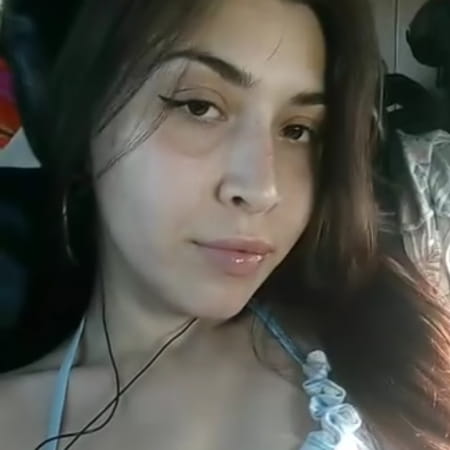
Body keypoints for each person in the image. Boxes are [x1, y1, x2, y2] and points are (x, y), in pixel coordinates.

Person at [0, 0, 450, 449]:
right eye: (199, 107)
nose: (263, 189)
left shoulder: (380, 346)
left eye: (297, 130)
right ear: (84, 122)